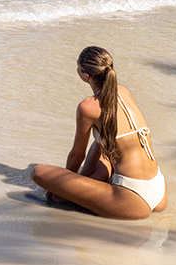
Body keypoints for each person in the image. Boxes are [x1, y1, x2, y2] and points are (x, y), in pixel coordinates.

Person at [32, 46, 167, 220]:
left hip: (132, 199)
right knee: (103, 150)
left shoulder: (88, 107)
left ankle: (80, 196)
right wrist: (81, 179)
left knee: (38, 172)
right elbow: (102, 141)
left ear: (86, 76)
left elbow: (76, 156)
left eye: (78, 67)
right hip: (158, 190)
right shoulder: (123, 91)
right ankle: (93, 183)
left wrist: (64, 187)